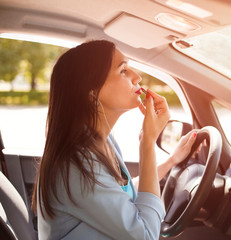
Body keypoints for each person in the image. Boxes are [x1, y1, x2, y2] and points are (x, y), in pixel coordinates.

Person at [32, 40, 198, 240]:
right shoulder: (76, 164)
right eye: (123, 71)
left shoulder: (102, 140)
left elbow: (120, 196)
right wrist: (147, 143)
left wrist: (171, 161)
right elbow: (146, 235)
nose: (137, 77)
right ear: (92, 93)